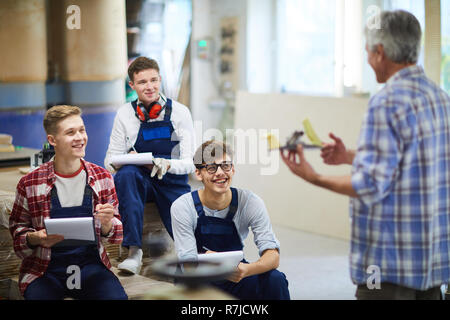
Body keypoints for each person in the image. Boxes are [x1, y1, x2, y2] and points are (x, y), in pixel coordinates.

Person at [281, 10, 450, 300]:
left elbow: (368, 186)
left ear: (380, 52)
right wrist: (349, 156)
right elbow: (415, 161)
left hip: (388, 267)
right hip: (431, 263)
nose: (368, 60)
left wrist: (314, 177)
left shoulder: (385, 102)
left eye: (367, 53)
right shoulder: (439, 97)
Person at [9, 105, 127, 300]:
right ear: (52, 140)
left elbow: (117, 234)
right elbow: (17, 232)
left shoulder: (102, 178)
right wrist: (34, 238)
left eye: (82, 130)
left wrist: (107, 224)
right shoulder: (29, 183)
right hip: (45, 270)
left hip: (91, 266)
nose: (80, 137)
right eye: (70, 132)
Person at [105, 57, 196, 274]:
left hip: (172, 182)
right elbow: (109, 160)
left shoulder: (180, 112)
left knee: (190, 240)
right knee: (126, 174)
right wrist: (129, 158)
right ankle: (134, 253)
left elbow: (191, 163)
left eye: (154, 80)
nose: (150, 86)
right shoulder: (124, 114)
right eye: (142, 82)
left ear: (160, 79)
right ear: (132, 85)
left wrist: (165, 164)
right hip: (141, 182)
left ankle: (190, 263)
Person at [171, 140, 290, 300]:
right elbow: (187, 263)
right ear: (198, 173)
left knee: (276, 280)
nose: (220, 173)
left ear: (232, 169)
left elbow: (273, 255)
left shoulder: (250, 202)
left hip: (236, 275)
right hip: (198, 277)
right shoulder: (183, 206)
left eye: (225, 166)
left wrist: (248, 269)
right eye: (211, 168)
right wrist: (211, 261)